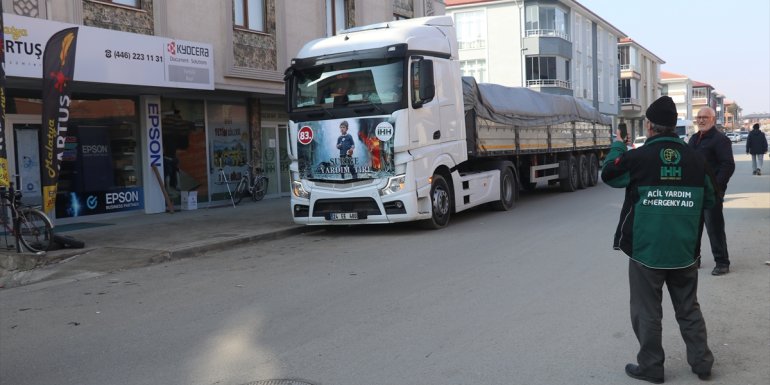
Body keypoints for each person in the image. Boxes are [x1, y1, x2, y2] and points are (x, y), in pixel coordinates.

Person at [602, 96, 717, 384]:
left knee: (647, 311)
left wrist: (618, 145)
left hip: (646, 251)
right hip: (684, 250)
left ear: (649, 126)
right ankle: (702, 364)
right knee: (688, 308)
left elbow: (609, 174)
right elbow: (711, 198)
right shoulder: (696, 159)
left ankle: (652, 367)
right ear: (674, 126)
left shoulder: (638, 158)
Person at [687, 107, 735, 275]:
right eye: (699, 117)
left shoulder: (720, 140)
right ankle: (694, 260)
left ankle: (722, 262)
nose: (701, 120)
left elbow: (728, 165)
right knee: (693, 229)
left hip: (711, 194)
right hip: (694, 193)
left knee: (714, 229)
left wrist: (717, 187)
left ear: (713, 119)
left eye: (705, 117)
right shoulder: (694, 139)